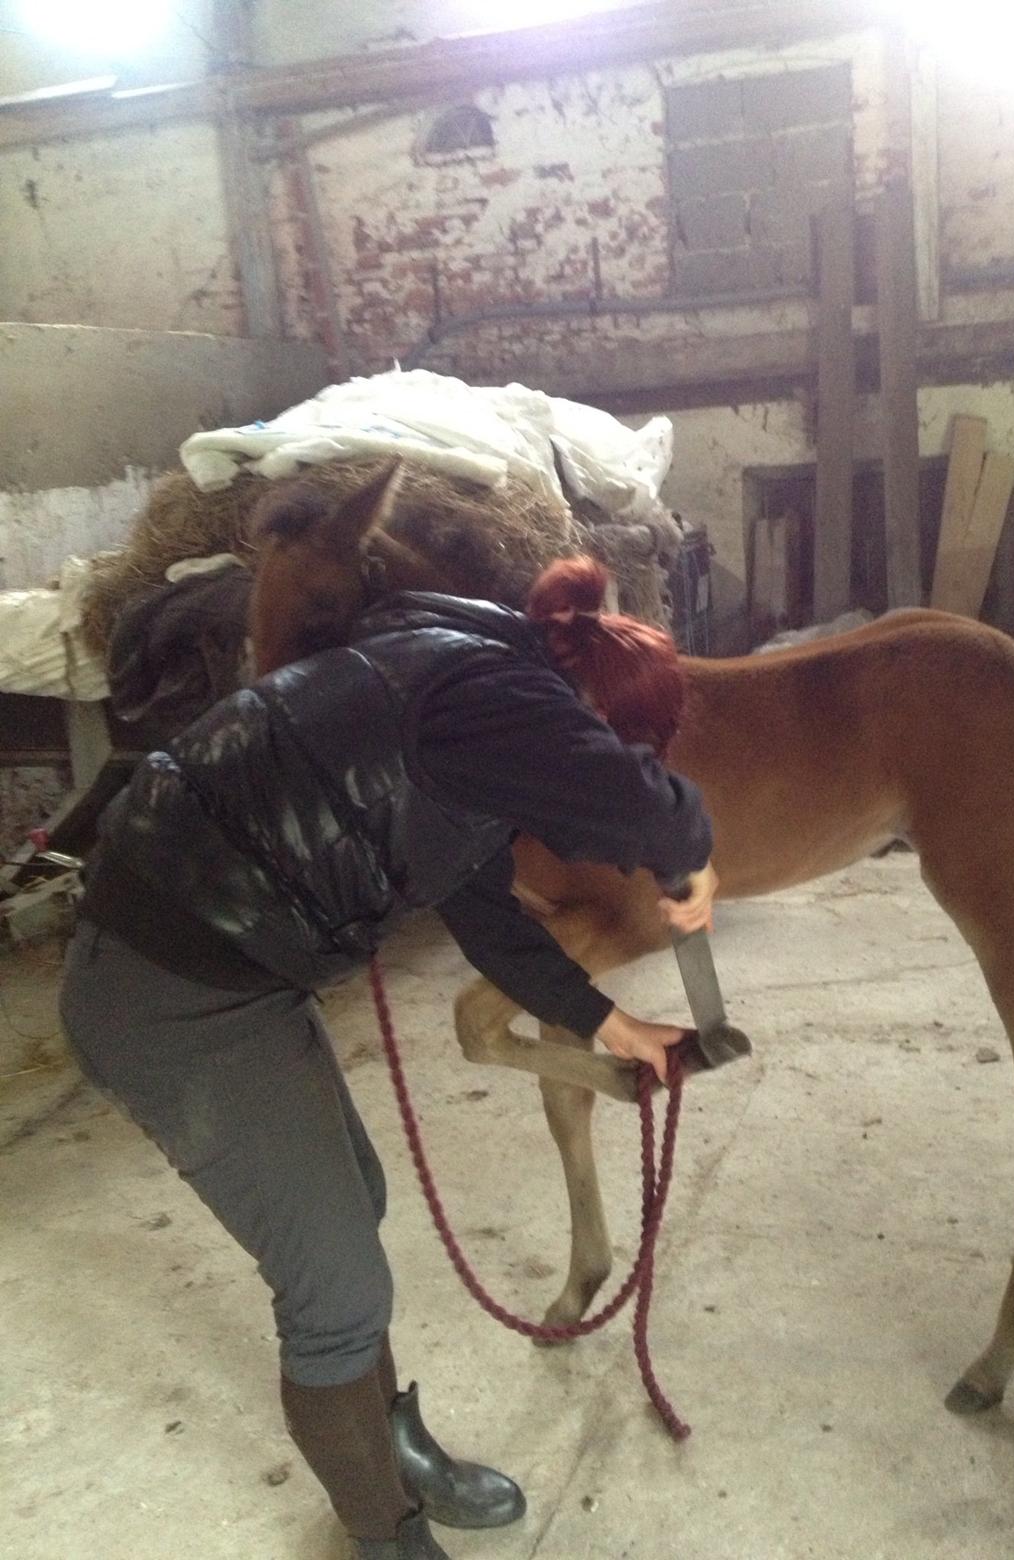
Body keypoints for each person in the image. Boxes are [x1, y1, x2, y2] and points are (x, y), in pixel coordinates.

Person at [58, 555, 718, 1560]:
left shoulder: (448, 682)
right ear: (587, 714)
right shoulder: (501, 702)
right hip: (170, 995)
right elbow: (648, 807)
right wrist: (692, 854)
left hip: (225, 965)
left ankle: (392, 1446)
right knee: (336, 1292)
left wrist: (606, 1023)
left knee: (352, 1206)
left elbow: (482, 909)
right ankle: (382, 1536)